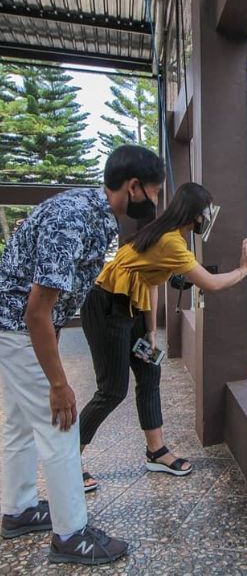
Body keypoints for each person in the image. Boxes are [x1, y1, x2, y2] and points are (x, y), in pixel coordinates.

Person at [0, 144, 164, 564]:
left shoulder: (97, 216)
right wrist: (59, 383)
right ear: (133, 187)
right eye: (154, 191)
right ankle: (71, 535)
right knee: (60, 423)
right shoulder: (72, 218)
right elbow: (36, 310)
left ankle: (17, 511)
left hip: (18, 325)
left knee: (20, 423)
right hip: (17, 326)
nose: (157, 201)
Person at [78, 182, 247, 491]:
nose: (209, 217)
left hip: (131, 308)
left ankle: (156, 451)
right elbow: (210, 283)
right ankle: (68, 460)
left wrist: (149, 329)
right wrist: (243, 270)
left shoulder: (161, 234)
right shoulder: (171, 242)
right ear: (195, 213)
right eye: (206, 210)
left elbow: (151, 281)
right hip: (107, 308)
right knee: (112, 390)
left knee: (150, 371)